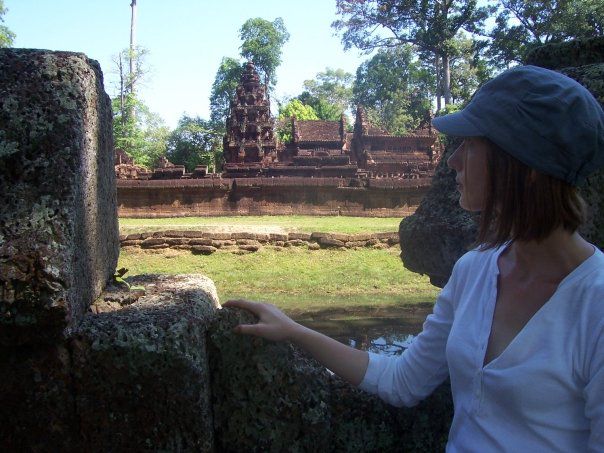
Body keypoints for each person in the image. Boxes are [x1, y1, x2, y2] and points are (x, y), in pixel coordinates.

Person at [224, 65, 604, 452]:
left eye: (471, 145)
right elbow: (403, 381)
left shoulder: (596, 303)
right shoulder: (475, 270)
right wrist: (294, 331)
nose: (453, 161)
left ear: (526, 167)